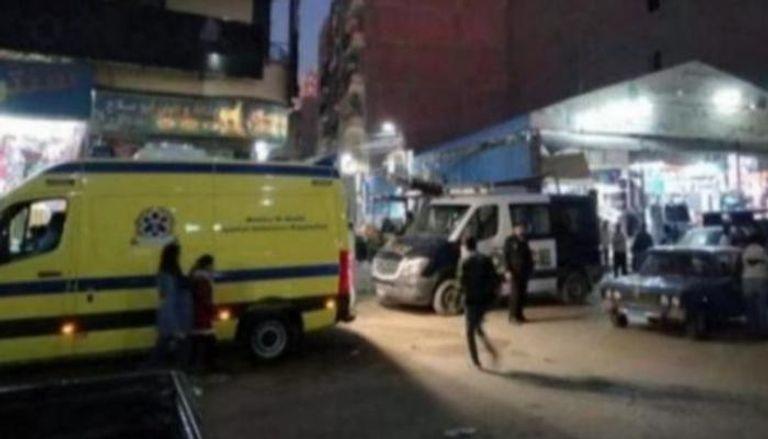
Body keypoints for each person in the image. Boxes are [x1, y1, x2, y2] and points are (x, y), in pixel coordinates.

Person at [150, 242, 192, 367]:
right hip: (176, 323)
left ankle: (155, 372)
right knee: (179, 354)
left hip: (174, 323)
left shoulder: (167, 274)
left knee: (162, 353)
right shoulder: (170, 277)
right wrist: (176, 329)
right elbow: (169, 303)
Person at [460, 236, 499, 369]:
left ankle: (476, 361)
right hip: (484, 300)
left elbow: (461, 282)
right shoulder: (485, 259)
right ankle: (490, 350)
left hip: (471, 300)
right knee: (477, 327)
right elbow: (494, 278)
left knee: (470, 331)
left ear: (465, 247)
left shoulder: (465, 262)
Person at [189, 254, 217, 371]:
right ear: (206, 265)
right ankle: (206, 365)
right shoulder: (202, 279)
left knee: (199, 340)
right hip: (202, 313)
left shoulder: (196, 277)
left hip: (197, 312)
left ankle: (199, 364)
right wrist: (212, 308)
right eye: (212, 265)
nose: (213, 267)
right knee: (208, 340)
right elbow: (204, 297)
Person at [504, 223, 534, 323]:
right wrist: (507, 270)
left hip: (524, 271)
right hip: (514, 271)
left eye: (522, 228)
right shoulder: (510, 241)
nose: (521, 230)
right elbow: (506, 256)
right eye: (519, 228)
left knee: (522, 294)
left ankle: (520, 315)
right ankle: (512, 316)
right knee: (515, 294)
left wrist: (530, 268)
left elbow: (528, 255)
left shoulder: (524, 240)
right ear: (514, 229)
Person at [742, 235, 768, 336]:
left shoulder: (745, 251)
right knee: (761, 306)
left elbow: (740, 265)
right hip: (761, 278)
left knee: (750, 306)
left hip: (747, 279)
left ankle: (752, 328)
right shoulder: (763, 251)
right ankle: (763, 329)